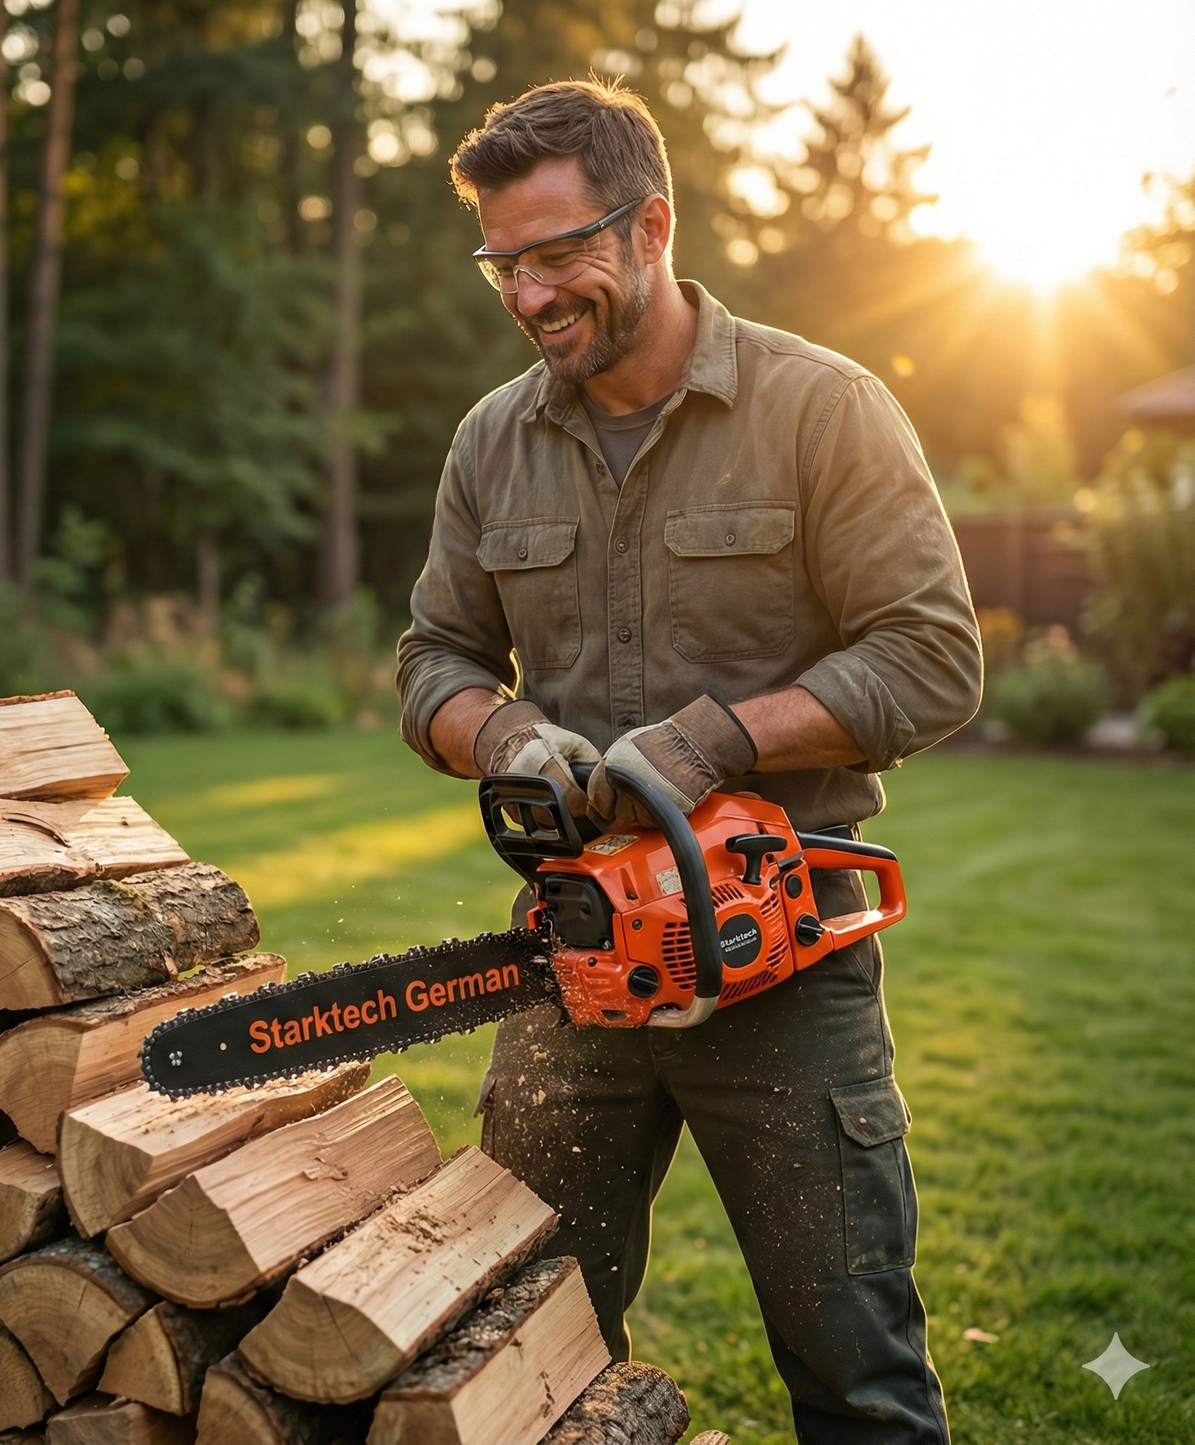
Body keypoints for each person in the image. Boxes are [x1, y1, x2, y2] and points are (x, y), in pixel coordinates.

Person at [395, 79, 980, 1445]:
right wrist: (506, 737)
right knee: (517, 1351)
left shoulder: (820, 410)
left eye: (557, 253)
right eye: (504, 265)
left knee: (857, 1379)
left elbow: (934, 657)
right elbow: (432, 661)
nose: (530, 293)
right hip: (579, 950)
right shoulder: (493, 441)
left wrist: (718, 741)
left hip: (785, 962)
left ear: (651, 224)